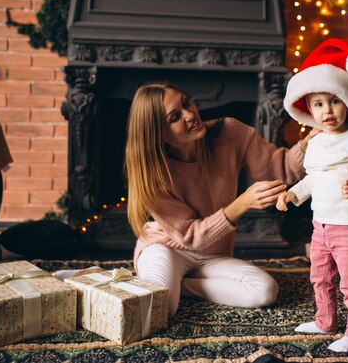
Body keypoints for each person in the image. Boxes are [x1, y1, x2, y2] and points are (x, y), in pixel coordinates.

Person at [124, 82, 318, 317]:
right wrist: (242, 203)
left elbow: (282, 170)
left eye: (186, 103)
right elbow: (190, 237)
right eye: (175, 117)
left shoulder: (230, 133)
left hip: (213, 254)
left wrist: (307, 144)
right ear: (159, 134)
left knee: (264, 291)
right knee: (159, 310)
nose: (190, 115)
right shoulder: (152, 173)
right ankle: (162, 287)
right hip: (166, 248)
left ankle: (181, 286)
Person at [276, 38, 348, 353]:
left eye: (334, 101)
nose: (327, 111)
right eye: (319, 104)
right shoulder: (317, 143)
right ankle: (326, 320)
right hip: (321, 225)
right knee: (320, 277)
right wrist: (292, 195)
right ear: (309, 109)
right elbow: (312, 179)